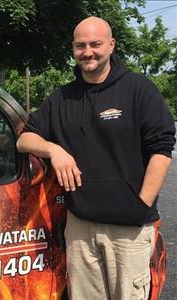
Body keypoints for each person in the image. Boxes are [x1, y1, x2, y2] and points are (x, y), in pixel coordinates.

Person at [17, 16, 176, 300]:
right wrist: (55, 150)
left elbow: (161, 150)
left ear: (111, 45)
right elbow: (24, 139)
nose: (87, 52)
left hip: (129, 229)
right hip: (80, 227)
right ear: (73, 49)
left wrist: (141, 206)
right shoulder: (62, 98)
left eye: (95, 44)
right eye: (80, 46)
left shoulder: (139, 90)